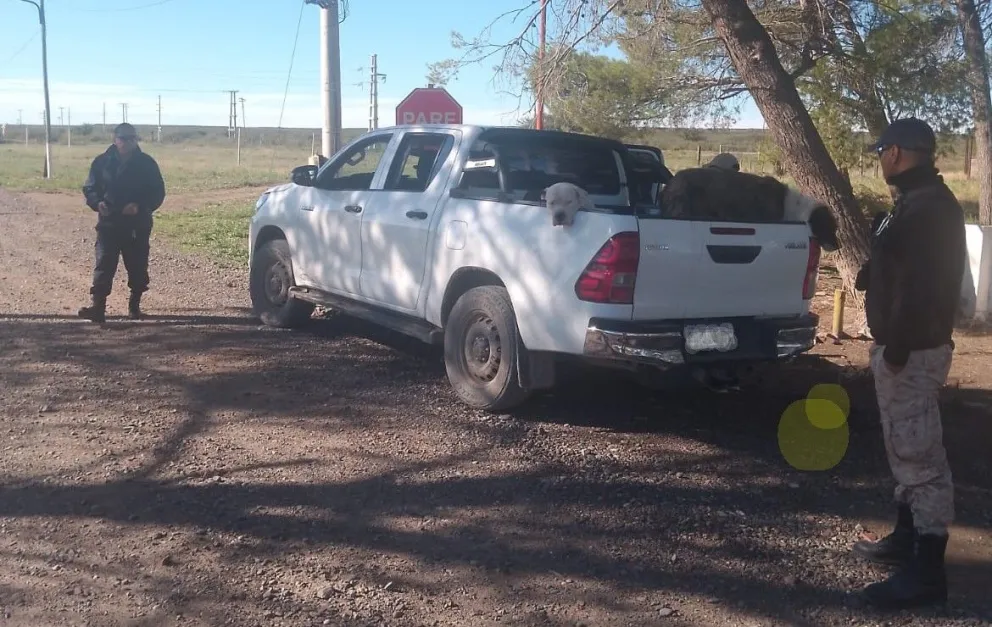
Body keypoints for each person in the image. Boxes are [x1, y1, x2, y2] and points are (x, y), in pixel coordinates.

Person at [852, 117, 966, 609]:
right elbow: (901, 267)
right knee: (905, 449)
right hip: (903, 348)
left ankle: (927, 574)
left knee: (921, 461)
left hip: (911, 352)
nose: (880, 162)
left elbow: (926, 288)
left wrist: (896, 348)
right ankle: (905, 540)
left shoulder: (931, 209)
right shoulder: (914, 205)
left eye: (881, 153)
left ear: (896, 153)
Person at [78, 123, 166, 323]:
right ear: (114, 139)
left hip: (137, 224)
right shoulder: (102, 162)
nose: (128, 142)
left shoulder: (146, 163)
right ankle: (97, 308)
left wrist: (140, 206)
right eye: (123, 138)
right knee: (104, 264)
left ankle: (134, 307)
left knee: (137, 265)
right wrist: (97, 203)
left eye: (132, 138)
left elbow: (157, 192)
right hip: (109, 223)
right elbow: (90, 188)